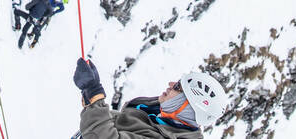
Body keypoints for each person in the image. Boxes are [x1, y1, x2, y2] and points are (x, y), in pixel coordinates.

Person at [72, 58, 228, 138]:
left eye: (178, 87)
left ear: (188, 107)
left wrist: (93, 94)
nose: (171, 84)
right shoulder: (154, 114)